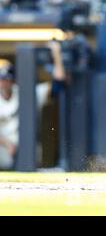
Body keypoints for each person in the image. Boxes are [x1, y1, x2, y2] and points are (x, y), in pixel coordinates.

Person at [0, 41, 66, 170]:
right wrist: (7, 144)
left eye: (7, 78)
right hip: (3, 147)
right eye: (1, 79)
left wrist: (56, 55)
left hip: (28, 148)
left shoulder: (25, 92)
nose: (3, 82)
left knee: (34, 161)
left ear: (13, 79)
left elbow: (58, 82)